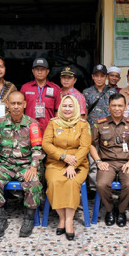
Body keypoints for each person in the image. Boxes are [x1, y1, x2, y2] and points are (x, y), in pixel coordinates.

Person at [0, 91, 45, 238]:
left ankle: (28, 218)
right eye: (13, 103)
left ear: (24, 104)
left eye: (19, 103)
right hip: (5, 166)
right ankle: (1, 218)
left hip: (25, 165)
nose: (16, 107)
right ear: (8, 105)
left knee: (33, 182)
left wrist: (33, 167)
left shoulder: (33, 124)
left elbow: (37, 149)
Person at [42, 95, 91, 240]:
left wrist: (72, 164)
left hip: (78, 163)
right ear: (60, 107)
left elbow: (85, 147)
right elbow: (46, 144)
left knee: (70, 182)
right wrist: (63, 156)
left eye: (71, 106)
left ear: (76, 108)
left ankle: (69, 220)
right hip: (55, 163)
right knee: (55, 182)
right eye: (65, 106)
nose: (67, 109)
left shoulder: (83, 124)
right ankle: (61, 218)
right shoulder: (53, 123)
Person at [90, 94, 129, 228]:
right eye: (114, 105)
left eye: (120, 105)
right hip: (107, 162)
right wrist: (99, 161)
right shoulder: (100, 124)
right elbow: (91, 145)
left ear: (125, 107)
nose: (117, 108)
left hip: (126, 162)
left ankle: (121, 211)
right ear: (109, 107)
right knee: (101, 184)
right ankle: (110, 209)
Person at [83, 64, 117, 192]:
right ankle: (93, 188)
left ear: (106, 77)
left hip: (109, 132)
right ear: (92, 77)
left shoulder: (112, 92)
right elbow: (84, 115)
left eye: (102, 76)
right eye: (96, 76)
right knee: (93, 161)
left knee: (109, 160)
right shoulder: (86, 92)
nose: (99, 79)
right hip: (92, 132)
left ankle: (107, 187)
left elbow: (116, 112)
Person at [21, 58, 61, 132]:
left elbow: (58, 111)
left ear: (47, 71)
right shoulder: (25, 88)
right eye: (37, 69)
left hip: (48, 129)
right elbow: (21, 110)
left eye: (42, 69)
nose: (39, 72)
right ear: (33, 71)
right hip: (28, 128)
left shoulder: (56, 89)